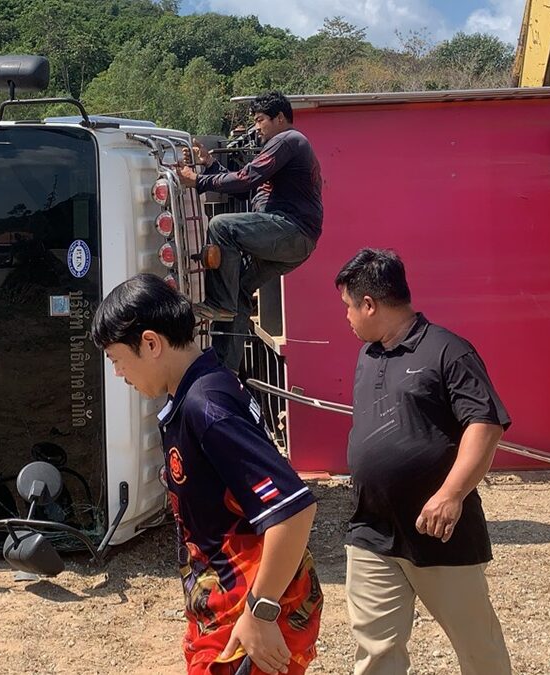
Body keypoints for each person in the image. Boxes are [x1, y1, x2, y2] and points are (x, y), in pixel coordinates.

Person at [91, 273, 323, 675]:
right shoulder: (197, 393)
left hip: (249, 615)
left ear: (150, 343)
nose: (118, 374)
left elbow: (293, 510)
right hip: (222, 608)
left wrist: (261, 612)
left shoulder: (206, 407)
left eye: (116, 359)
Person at [333, 248, 512, 675]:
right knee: (375, 650)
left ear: (370, 304)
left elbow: (485, 425)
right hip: (371, 529)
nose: (347, 318)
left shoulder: (448, 352)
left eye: (348, 307)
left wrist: (451, 495)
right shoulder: (369, 355)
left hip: (439, 530)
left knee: (478, 650)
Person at [176, 91, 323, 372]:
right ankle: (224, 370)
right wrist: (209, 164)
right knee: (241, 289)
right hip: (293, 240)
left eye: (260, 120)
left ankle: (220, 303)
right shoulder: (286, 146)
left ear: (280, 118)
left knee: (221, 226)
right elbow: (252, 186)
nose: (257, 127)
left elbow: (246, 178)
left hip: (291, 231)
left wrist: (198, 180)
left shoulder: (287, 140)